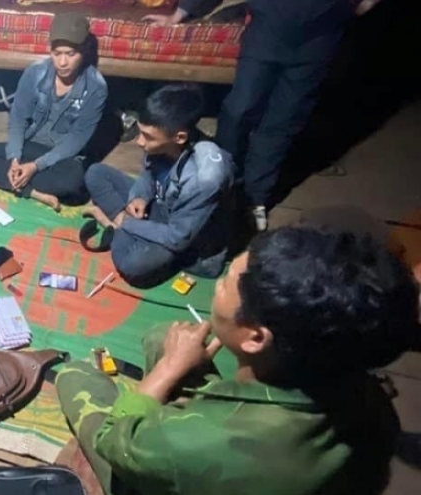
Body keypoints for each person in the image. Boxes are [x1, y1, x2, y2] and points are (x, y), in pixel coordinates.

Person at [56, 226, 419, 495]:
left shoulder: (200, 443)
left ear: (256, 337)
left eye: (226, 282)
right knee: (163, 337)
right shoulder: (365, 392)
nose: (218, 285)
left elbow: (114, 441)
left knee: (74, 376)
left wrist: (167, 370)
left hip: (208, 459)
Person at [143, 0, 383, 231]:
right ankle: (221, 187)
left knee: (282, 122)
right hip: (267, 30)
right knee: (238, 111)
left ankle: (255, 198)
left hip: (320, 38)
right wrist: (179, 14)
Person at [84, 84, 233, 289]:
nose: (139, 142)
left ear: (180, 137)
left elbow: (178, 237)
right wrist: (140, 196)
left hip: (183, 235)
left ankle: (113, 222)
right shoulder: (165, 140)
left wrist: (125, 222)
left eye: (148, 136)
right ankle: (122, 224)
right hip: (159, 207)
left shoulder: (204, 180)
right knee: (95, 173)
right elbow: (149, 174)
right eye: (140, 131)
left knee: (131, 265)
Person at [0, 12, 107, 211]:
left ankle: (12, 182)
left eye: (70, 54)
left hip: (62, 156)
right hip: (31, 145)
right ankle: (33, 192)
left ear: (85, 50)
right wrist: (14, 159)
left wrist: (35, 166)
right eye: (56, 53)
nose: (62, 62)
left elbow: (76, 140)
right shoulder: (35, 72)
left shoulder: (96, 87)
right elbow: (18, 119)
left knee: (75, 183)